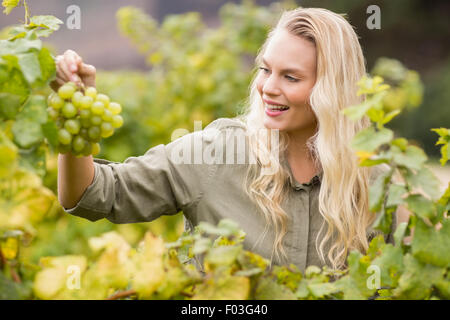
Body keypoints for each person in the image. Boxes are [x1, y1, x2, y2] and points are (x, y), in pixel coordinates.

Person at [53, 7, 403, 272]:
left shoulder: (376, 178)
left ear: (331, 90)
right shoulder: (215, 153)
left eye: (291, 77)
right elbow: (92, 194)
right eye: (266, 70)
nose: (268, 87)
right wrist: (79, 118)